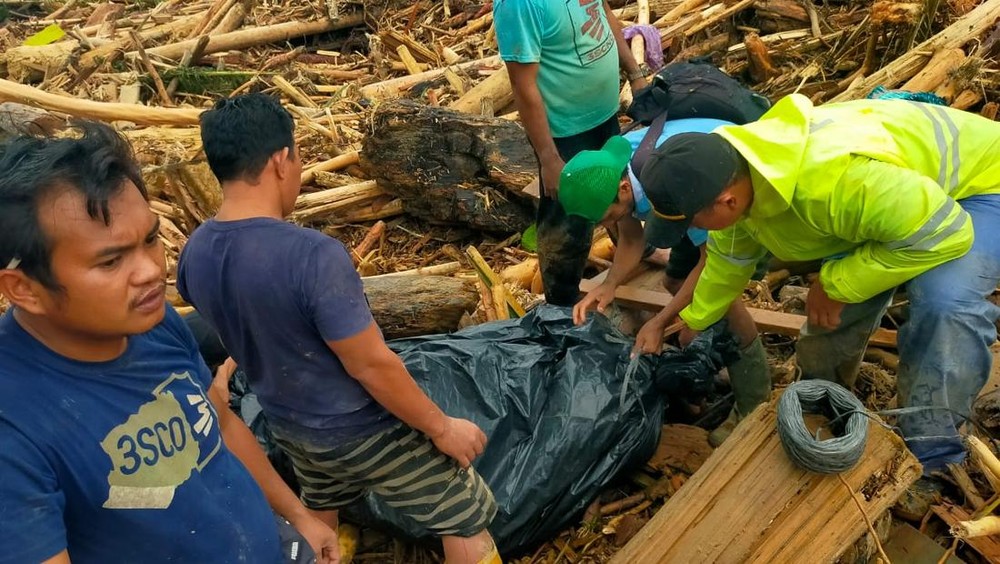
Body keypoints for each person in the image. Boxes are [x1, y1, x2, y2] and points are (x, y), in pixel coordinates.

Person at [176, 94, 500, 564]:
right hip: (364, 429)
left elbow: (235, 320)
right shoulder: (311, 255)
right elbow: (370, 364)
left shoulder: (195, 254)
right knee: (465, 515)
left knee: (319, 510)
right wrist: (441, 427)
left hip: (293, 428)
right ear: (281, 161)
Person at [0, 122, 339, 563]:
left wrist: (299, 516)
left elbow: (219, 424)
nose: (149, 271)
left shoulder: (151, 325)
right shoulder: (15, 426)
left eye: (150, 240)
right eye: (111, 260)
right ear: (24, 289)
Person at [638, 93, 1000, 473]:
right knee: (829, 318)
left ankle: (932, 454)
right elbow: (728, 261)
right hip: (898, 203)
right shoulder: (742, 172)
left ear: (726, 201)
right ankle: (820, 406)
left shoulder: (835, 185)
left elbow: (947, 233)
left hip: (979, 187)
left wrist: (837, 284)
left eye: (692, 222)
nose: (692, 231)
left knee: (943, 303)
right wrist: (696, 318)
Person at [559, 120, 771, 445]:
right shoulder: (612, 170)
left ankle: (753, 400)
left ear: (624, 190)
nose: (609, 224)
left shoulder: (672, 185)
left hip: (731, 193)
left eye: (608, 216)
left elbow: (712, 262)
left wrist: (662, 322)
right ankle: (714, 348)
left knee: (724, 297)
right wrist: (609, 284)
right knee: (675, 282)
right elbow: (632, 237)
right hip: (691, 198)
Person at [495, 0, 650, 306]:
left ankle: (631, 256)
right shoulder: (519, 5)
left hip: (604, 112)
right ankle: (561, 302)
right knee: (569, 219)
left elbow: (603, 13)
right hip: (564, 130)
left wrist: (635, 71)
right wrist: (549, 157)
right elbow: (522, 85)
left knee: (617, 192)